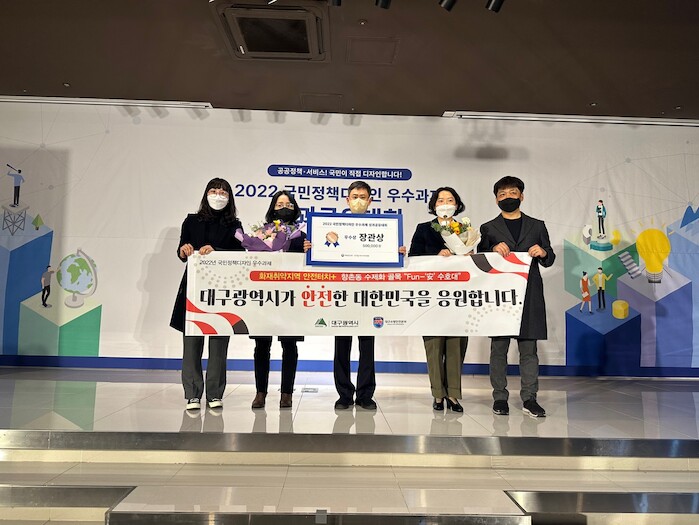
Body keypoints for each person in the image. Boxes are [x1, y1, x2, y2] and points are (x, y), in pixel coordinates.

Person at [478, 176, 555, 418]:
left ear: (522, 196)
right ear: (496, 200)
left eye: (512, 193)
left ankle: (530, 398)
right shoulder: (488, 228)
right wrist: (492, 250)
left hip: (529, 294)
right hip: (500, 296)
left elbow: (550, 257)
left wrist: (543, 252)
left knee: (529, 350)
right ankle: (499, 397)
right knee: (498, 349)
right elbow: (479, 258)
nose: (507, 197)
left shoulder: (537, 225)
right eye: (502, 194)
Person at [170, 178, 243, 411]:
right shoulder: (191, 221)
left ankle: (214, 393)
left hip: (222, 290)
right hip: (193, 289)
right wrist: (184, 250)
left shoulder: (235, 225)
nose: (218, 194)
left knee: (219, 344)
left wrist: (217, 250)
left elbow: (240, 255)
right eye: (214, 190)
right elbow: (183, 249)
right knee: (192, 342)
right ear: (206, 194)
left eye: (223, 191)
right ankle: (192, 393)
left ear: (229, 197)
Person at [408, 186, 469, 413]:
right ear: (434, 205)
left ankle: (453, 393)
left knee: (456, 344)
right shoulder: (424, 229)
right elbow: (413, 257)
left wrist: (468, 256)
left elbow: (476, 260)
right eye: (440, 200)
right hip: (432, 295)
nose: (445, 203)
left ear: (457, 204)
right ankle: (437, 394)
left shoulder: (465, 229)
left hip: (458, 295)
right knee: (434, 345)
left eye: (450, 200)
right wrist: (436, 256)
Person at [251, 190, 305, 410]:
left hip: (291, 296)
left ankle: (286, 393)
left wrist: (308, 251)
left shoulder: (301, 234)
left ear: (295, 208)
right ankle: (260, 392)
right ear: (273, 208)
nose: (284, 208)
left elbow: (306, 265)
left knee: (289, 345)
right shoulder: (262, 232)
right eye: (280, 204)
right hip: (266, 295)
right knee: (261, 345)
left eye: (288, 205)